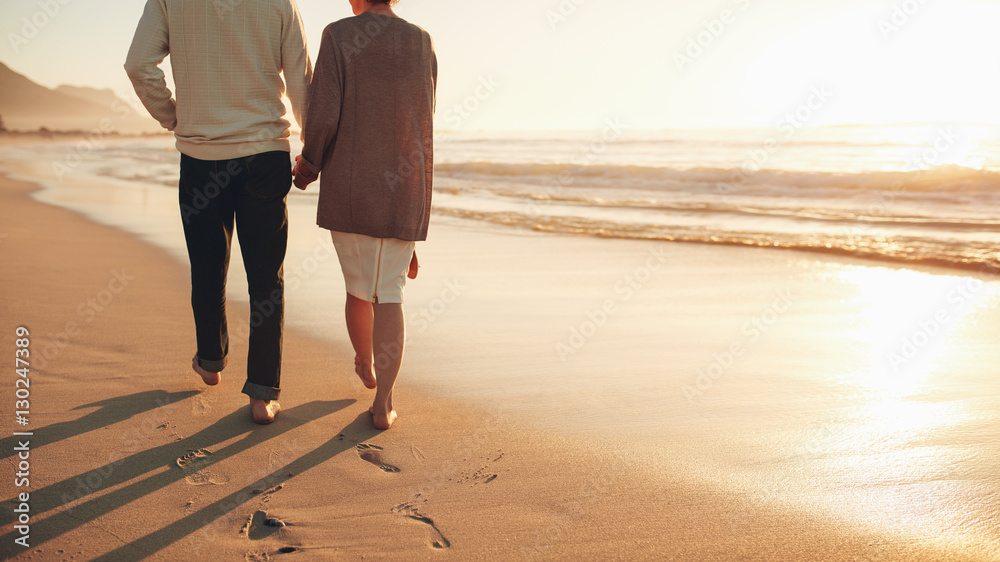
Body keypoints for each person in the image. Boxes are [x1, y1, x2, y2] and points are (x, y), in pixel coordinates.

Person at [125, 0, 312, 424]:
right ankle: (263, 395)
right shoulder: (281, 3)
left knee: (207, 266)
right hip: (264, 156)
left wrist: (174, 117)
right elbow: (301, 81)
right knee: (267, 277)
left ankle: (210, 361)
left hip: (200, 155)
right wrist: (312, 154)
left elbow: (139, 65)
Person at [293, 0, 436, 430]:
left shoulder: (338, 35)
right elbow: (425, 119)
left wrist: (309, 165)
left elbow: (323, 114)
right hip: (406, 188)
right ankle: (384, 402)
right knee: (390, 292)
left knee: (359, 288)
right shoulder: (422, 41)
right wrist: (416, 213)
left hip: (353, 188)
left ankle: (365, 360)